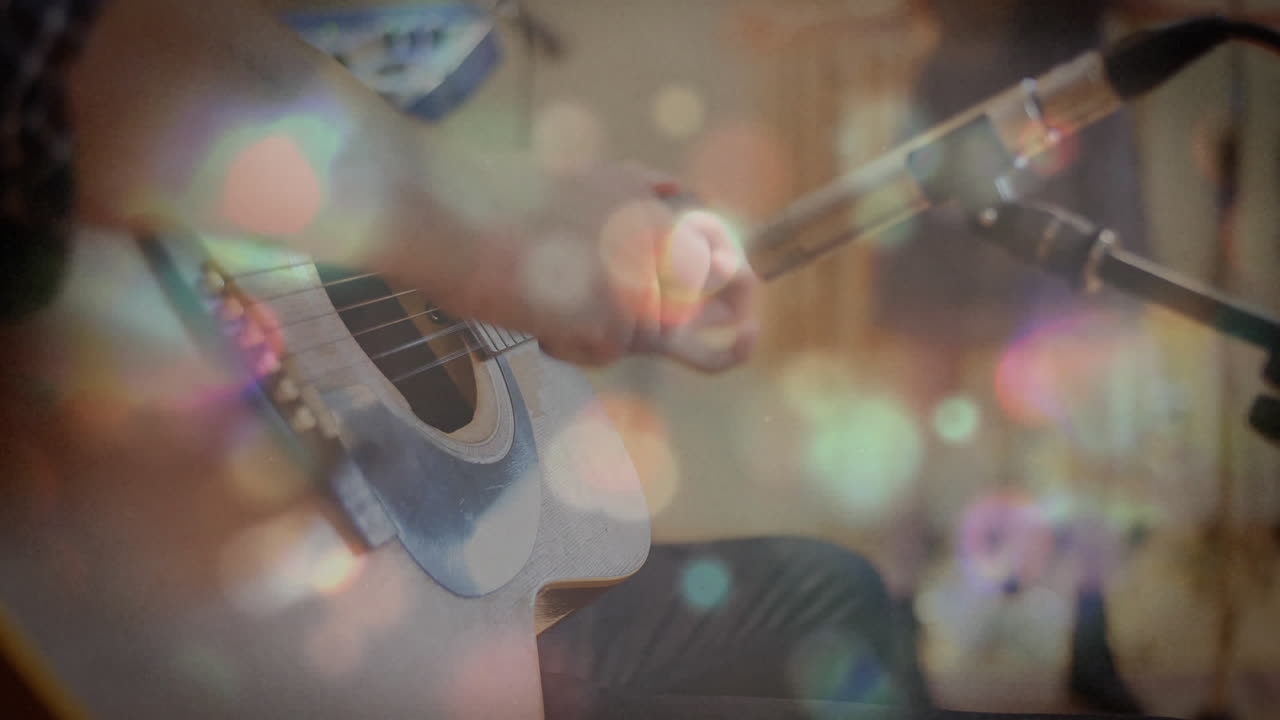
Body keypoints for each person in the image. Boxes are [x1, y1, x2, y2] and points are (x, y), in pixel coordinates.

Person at [1, 1, 1166, 718]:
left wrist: (580, 219)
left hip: (368, 561)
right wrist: (481, 224)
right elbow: (55, 50)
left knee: (833, 603)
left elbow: (356, 146)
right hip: (154, 532)